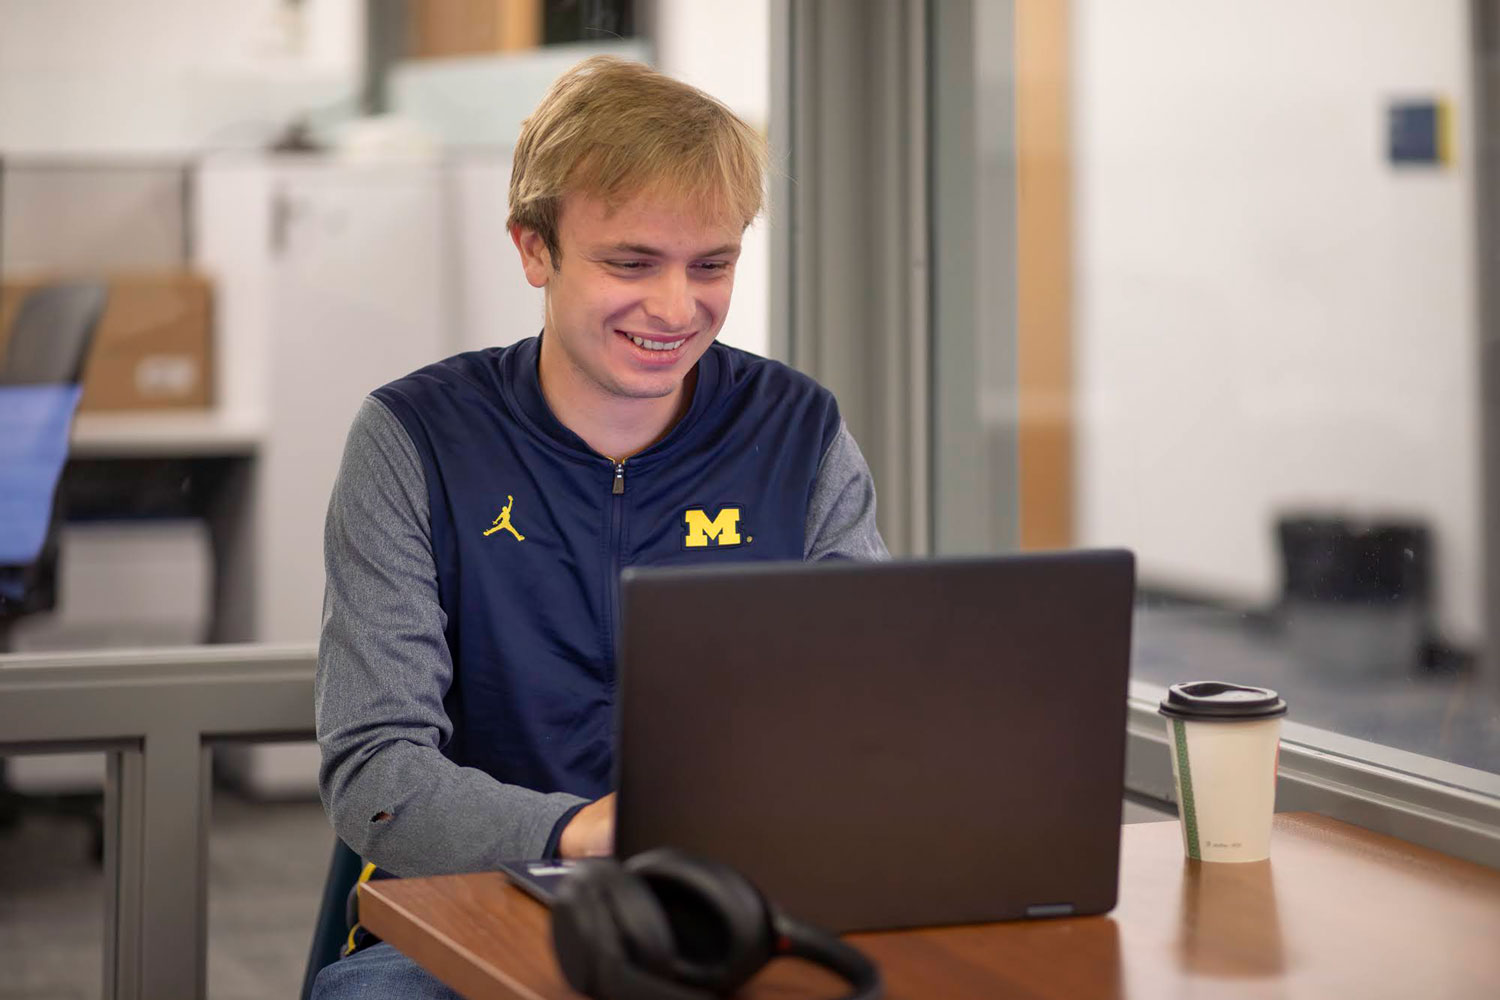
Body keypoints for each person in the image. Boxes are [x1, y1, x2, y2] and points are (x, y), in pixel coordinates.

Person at [311, 56, 887, 997]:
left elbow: (875, 712)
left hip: (742, 902)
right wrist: (591, 832)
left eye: (713, 265)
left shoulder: (800, 433)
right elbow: (378, 775)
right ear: (535, 250)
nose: (676, 307)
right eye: (631, 263)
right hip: (474, 902)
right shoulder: (416, 439)